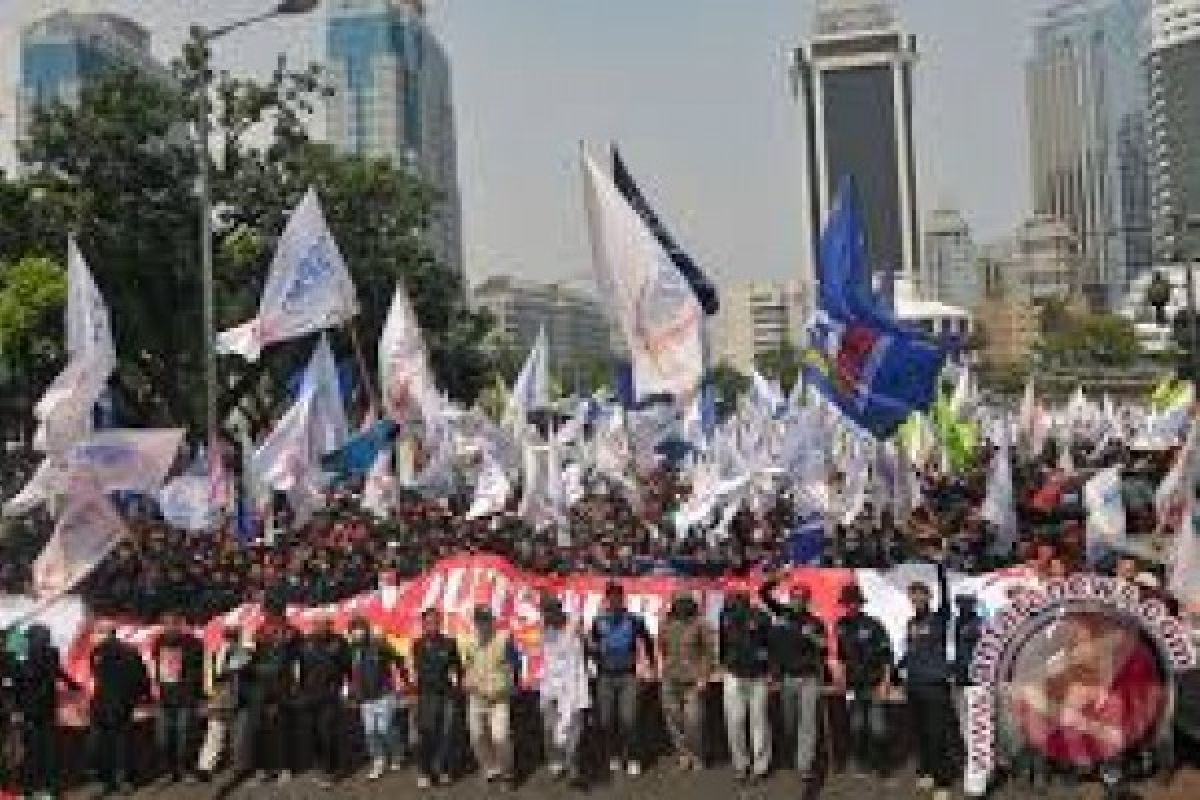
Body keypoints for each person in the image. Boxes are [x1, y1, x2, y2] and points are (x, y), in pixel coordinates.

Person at [760, 574, 827, 782]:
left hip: (808, 678)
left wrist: (813, 637)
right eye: (794, 597)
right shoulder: (782, 614)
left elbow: (824, 646)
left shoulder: (814, 621)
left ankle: (804, 765)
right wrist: (777, 578)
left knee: (807, 723)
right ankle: (795, 753)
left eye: (802, 598)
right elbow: (763, 593)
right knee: (790, 722)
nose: (797, 601)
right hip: (787, 679)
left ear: (808, 600)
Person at [588, 581, 655, 777]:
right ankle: (613, 755)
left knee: (629, 719)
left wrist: (650, 665)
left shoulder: (634, 620)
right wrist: (594, 655)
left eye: (619, 597)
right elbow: (592, 646)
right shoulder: (598, 621)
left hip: (628, 676)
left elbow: (648, 642)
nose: (615, 601)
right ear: (607, 599)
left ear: (623, 598)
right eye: (612, 598)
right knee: (606, 720)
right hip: (605, 677)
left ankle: (633, 757)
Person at [899, 577, 954, 800]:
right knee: (920, 733)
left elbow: (946, 598)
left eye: (921, 594)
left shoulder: (939, 619)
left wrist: (940, 567)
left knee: (937, 734)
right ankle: (927, 772)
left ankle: (943, 782)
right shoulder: (911, 623)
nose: (917, 599)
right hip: (914, 684)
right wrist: (896, 669)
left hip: (935, 686)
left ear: (929, 597)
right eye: (913, 595)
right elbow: (912, 651)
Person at [834, 583, 893, 779]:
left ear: (860, 604)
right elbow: (841, 657)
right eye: (848, 603)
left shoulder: (874, 624)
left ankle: (882, 764)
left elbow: (886, 656)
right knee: (856, 727)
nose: (851, 606)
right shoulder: (840, 625)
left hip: (874, 683)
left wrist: (885, 682)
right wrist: (840, 677)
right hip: (852, 686)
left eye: (854, 602)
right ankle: (861, 763)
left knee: (878, 728)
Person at [461, 605, 521, 787]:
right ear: (475, 622)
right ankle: (489, 767)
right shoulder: (468, 641)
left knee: (500, 736)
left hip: (499, 697)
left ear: (492, 620)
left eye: (487, 620)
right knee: (477, 735)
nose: (483, 624)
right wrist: (466, 681)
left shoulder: (504, 639)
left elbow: (515, 664)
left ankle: (507, 773)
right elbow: (467, 665)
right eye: (480, 620)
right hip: (476, 696)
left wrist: (512, 685)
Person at [18, 624, 80, 799]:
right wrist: (73, 685)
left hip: (30, 709)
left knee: (31, 751)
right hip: (46, 707)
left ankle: (29, 790)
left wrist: (18, 705)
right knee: (50, 749)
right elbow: (56, 673)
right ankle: (52, 789)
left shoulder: (26, 655)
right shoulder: (51, 653)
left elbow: (20, 681)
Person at [88, 621, 150, 795]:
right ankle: (124, 779)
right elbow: (141, 676)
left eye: (98, 632)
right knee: (123, 742)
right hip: (123, 703)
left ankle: (105, 779)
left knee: (103, 743)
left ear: (106, 633)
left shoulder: (97, 652)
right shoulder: (130, 651)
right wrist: (141, 695)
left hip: (101, 704)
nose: (95, 636)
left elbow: (96, 675)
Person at [718, 590, 773, 784]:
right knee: (735, 722)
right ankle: (741, 765)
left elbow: (770, 644)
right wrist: (722, 664)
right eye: (731, 601)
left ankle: (761, 766)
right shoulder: (724, 616)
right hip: (733, 674)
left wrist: (770, 670)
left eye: (736, 601)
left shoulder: (762, 617)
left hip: (758, 676)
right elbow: (722, 644)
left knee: (759, 722)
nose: (733, 605)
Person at [657, 590, 714, 771]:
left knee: (694, 721)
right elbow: (661, 646)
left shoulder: (700, 623)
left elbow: (709, 652)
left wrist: (704, 676)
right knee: (674, 719)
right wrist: (661, 666)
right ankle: (683, 754)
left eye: (685, 601)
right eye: (678, 601)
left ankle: (697, 754)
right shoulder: (666, 623)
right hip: (670, 678)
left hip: (693, 680)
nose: (681, 605)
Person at [347, 615, 408, 780]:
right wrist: (351, 692)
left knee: (385, 727)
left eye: (360, 628)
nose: (357, 632)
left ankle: (397, 754)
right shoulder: (352, 649)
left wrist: (405, 680)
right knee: (370, 731)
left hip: (384, 693)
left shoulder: (379, 644)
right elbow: (349, 672)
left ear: (366, 629)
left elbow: (399, 659)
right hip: (365, 698)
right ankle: (378, 759)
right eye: (354, 630)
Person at [294, 614, 351, 788]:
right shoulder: (306, 642)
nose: (320, 628)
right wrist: (300, 690)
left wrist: (348, 688)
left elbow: (348, 666)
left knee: (327, 732)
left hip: (330, 695)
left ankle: (332, 771)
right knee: (314, 733)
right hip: (310, 695)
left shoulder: (339, 642)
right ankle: (320, 766)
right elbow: (300, 668)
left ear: (330, 626)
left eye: (324, 625)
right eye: (316, 624)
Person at [537, 595, 589, 787]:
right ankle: (557, 763)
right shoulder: (545, 630)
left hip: (574, 687)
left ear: (559, 610)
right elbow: (546, 658)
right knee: (550, 729)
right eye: (545, 613)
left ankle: (574, 766)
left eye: (550, 612)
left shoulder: (575, 624)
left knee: (573, 731)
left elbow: (589, 645)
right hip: (551, 688)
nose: (547, 616)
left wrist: (584, 637)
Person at [244, 613, 298, 785]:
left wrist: (260, 669)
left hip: (281, 694)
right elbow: (246, 667)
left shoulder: (289, 646)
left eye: (276, 627)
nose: (272, 630)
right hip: (258, 695)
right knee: (259, 733)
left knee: (281, 733)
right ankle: (262, 770)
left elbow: (281, 668)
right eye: (268, 626)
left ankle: (284, 768)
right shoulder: (257, 645)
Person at [412, 608, 463, 789]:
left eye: (435, 622)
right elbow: (418, 670)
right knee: (426, 735)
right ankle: (425, 772)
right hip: (426, 696)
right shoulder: (417, 645)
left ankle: (443, 770)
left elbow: (457, 667)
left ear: (440, 623)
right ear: (423, 624)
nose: (432, 625)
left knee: (446, 735)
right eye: (428, 622)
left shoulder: (450, 643)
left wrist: (457, 686)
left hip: (446, 695)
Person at [151, 611, 204, 783]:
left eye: (172, 623)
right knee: (163, 737)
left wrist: (194, 691)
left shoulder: (193, 643)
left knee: (184, 736)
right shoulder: (158, 642)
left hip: (185, 697)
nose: (169, 627)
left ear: (179, 624)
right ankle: (168, 770)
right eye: (165, 624)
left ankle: (186, 770)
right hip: (165, 697)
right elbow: (156, 665)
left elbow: (199, 668)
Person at [197, 623, 251, 781]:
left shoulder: (240, 652)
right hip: (226, 697)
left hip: (229, 697)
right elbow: (214, 674)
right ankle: (211, 767)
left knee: (222, 734)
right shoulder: (240, 652)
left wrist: (209, 694)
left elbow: (211, 675)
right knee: (222, 734)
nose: (231, 637)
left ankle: (210, 767)